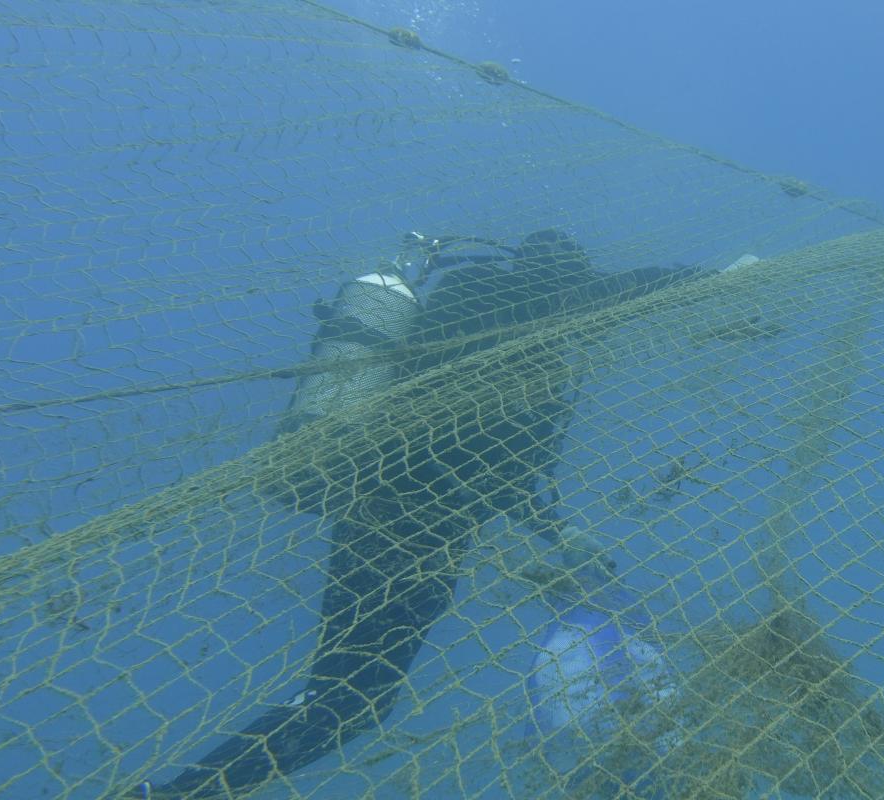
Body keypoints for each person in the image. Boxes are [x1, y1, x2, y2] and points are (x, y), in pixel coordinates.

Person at [140, 231, 698, 798]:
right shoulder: (514, 297)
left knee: (350, 699)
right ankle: (187, 791)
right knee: (353, 697)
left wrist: (555, 530)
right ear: (557, 269)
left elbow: (493, 461)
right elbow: (604, 298)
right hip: (421, 520)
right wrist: (705, 278)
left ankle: (188, 790)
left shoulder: (483, 313)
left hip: (391, 509)